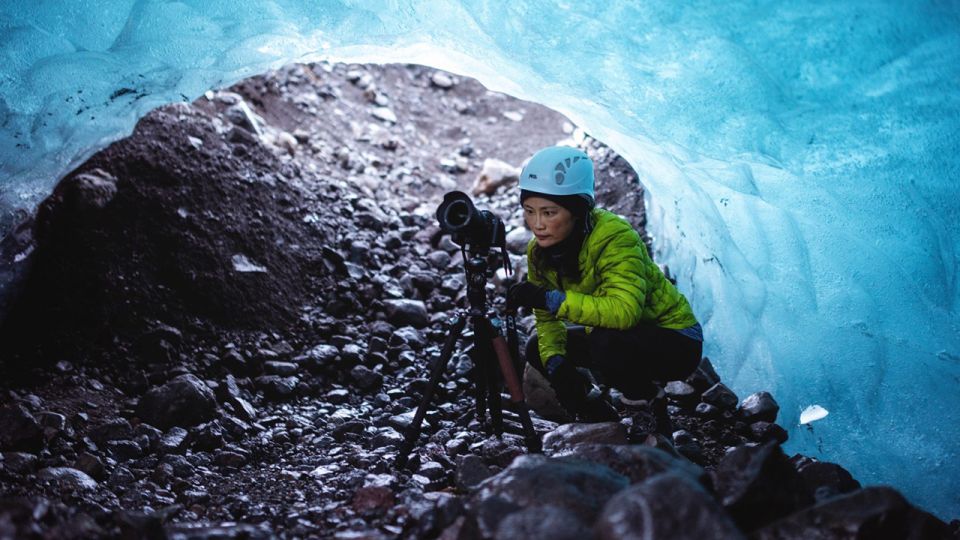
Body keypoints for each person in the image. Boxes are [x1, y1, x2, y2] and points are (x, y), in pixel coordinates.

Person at [507, 146, 703, 430]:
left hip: (676, 340)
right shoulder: (539, 252)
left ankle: (647, 405)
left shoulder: (615, 237)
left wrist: (549, 298)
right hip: (616, 336)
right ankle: (596, 417)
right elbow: (547, 320)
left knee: (606, 340)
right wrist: (556, 365)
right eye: (529, 212)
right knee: (540, 347)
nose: (538, 225)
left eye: (549, 213)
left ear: (577, 211)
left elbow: (625, 312)